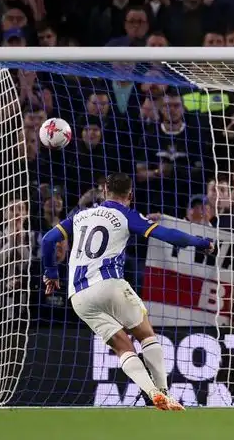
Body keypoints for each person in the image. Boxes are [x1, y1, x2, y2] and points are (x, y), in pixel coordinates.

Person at [40, 173, 217, 411]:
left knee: (123, 347)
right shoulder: (126, 215)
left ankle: (151, 392)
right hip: (110, 285)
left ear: (104, 192)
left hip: (78, 296)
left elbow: (48, 240)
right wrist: (200, 243)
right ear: (130, 195)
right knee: (146, 336)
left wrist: (51, 273)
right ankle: (162, 391)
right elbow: (166, 235)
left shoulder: (79, 215)